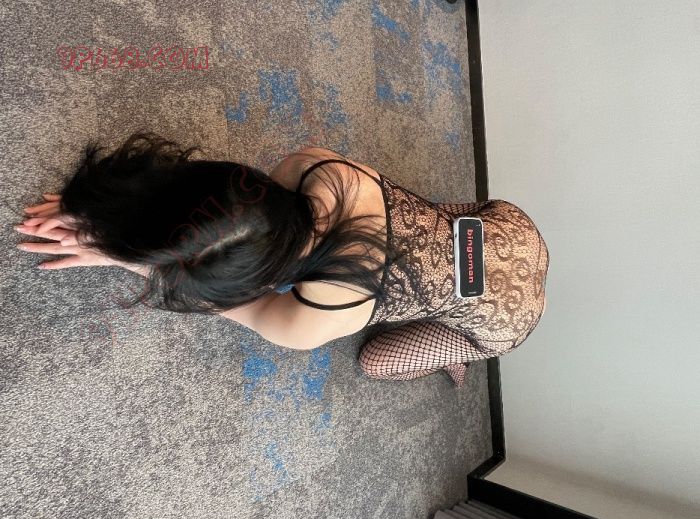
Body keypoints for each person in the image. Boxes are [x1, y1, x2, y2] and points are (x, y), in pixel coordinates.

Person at [14, 131, 549, 388]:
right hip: (514, 229)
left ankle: (452, 348)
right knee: (441, 224)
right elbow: (214, 233)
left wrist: (124, 248)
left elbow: (217, 299)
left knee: (377, 362)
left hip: (505, 324)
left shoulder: (307, 322)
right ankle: (447, 289)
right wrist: (123, 222)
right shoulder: (319, 169)